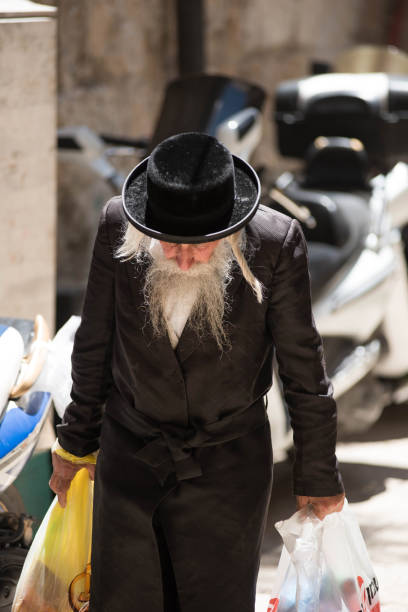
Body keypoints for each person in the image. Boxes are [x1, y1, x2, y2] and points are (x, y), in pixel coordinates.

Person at [49, 132, 345, 612]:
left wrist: (318, 477)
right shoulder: (114, 226)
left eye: (200, 246)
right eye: (169, 243)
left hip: (227, 466)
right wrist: (75, 444)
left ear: (230, 229)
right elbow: (94, 345)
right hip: (131, 457)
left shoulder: (275, 244)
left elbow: (304, 371)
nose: (184, 259)